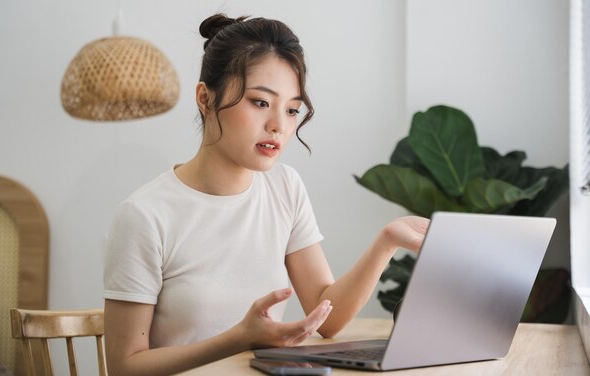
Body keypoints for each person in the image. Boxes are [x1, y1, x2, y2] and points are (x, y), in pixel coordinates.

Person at [103, 13, 429, 376]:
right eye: (260, 102)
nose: (279, 125)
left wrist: (387, 242)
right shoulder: (145, 216)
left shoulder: (284, 188)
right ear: (204, 99)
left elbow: (327, 318)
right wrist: (239, 338)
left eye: (291, 109)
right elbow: (123, 366)